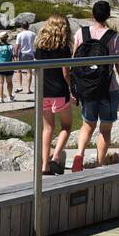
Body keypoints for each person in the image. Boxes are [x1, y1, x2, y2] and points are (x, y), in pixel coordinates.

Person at [70, 0, 119, 169]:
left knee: (87, 124)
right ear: (108, 15)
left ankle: (79, 153)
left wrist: (74, 86)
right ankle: (100, 162)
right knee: (105, 129)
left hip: (87, 87)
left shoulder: (81, 33)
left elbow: (74, 60)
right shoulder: (113, 37)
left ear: (92, 15)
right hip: (107, 88)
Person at [34, 13, 75, 173]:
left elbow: (37, 69)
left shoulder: (40, 46)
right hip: (59, 91)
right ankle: (56, 156)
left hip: (43, 91)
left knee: (47, 128)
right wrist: (71, 89)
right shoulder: (64, 48)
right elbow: (65, 73)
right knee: (67, 125)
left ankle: (44, 164)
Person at [14, 20, 36, 94]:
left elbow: (17, 45)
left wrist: (15, 54)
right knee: (29, 71)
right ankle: (28, 89)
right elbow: (35, 44)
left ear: (21, 26)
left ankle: (20, 86)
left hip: (22, 53)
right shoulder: (33, 34)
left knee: (19, 70)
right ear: (28, 26)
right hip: (30, 53)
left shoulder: (20, 34)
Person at [0, 33, 16, 104]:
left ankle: (1, 98)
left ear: (0, 38)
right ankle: (10, 96)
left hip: (0, 66)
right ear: (7, 38)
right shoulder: (10, 46)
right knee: (9, 82)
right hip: (9, 66)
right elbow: (13, 55)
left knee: (0, 83)